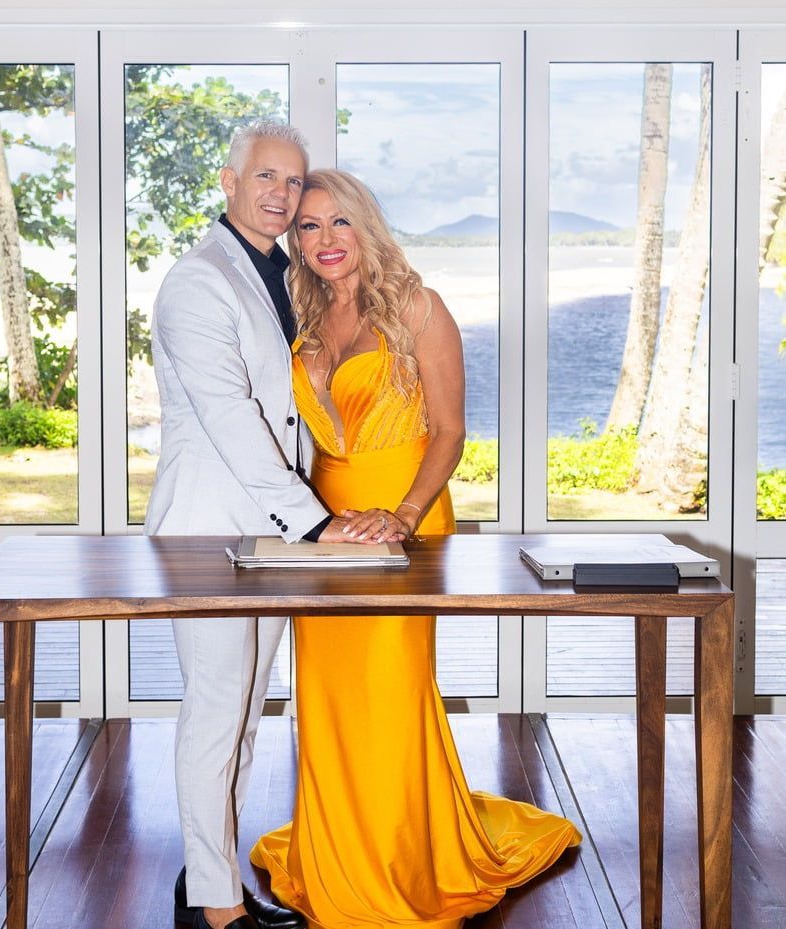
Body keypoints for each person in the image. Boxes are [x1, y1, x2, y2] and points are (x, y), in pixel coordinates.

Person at [250, 169, 582, 929]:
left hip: (404, 517)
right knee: (330, 697)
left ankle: (402, 862)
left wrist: (402, 514)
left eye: (338, 223)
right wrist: (295, 517)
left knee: (389, 691)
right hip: (325, 527)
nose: (324, 240)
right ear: (294, 240)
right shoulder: (299, 312)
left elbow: (450, 430)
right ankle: (341, 851)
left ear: (366, 226)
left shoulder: (417, 308)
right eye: (307, 227)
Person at [144, 125, 368, 929]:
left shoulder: (281, 274)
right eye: (266, 175)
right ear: (229, 179)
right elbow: (233, 420)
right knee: (214, 714)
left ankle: (212, 886)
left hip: (265, 533)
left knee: (239, 719)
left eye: (293, 179)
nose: (281, 192)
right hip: (209, 530)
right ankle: (214, 909)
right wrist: (316, 525)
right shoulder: (197, 282)